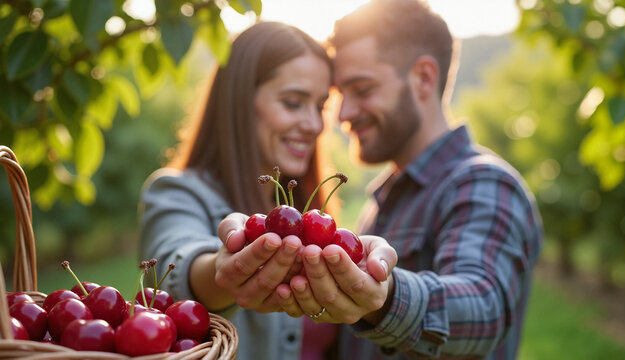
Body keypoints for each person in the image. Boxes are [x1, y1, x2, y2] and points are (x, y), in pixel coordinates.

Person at [265, 0, 543, 359]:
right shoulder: (386, 198)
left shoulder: (485, 184)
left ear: (423, 78)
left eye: (362, 89)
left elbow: (484, 306)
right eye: (340, 96)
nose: (344, 114)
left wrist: (386, 297)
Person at [138, 21, 378, 360]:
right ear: (240, 103)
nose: (314, 124)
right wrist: (226, 269)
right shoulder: (175, 192)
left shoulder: (307, 217)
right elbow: (172, 266)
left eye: (321, 105)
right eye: (294, 102)